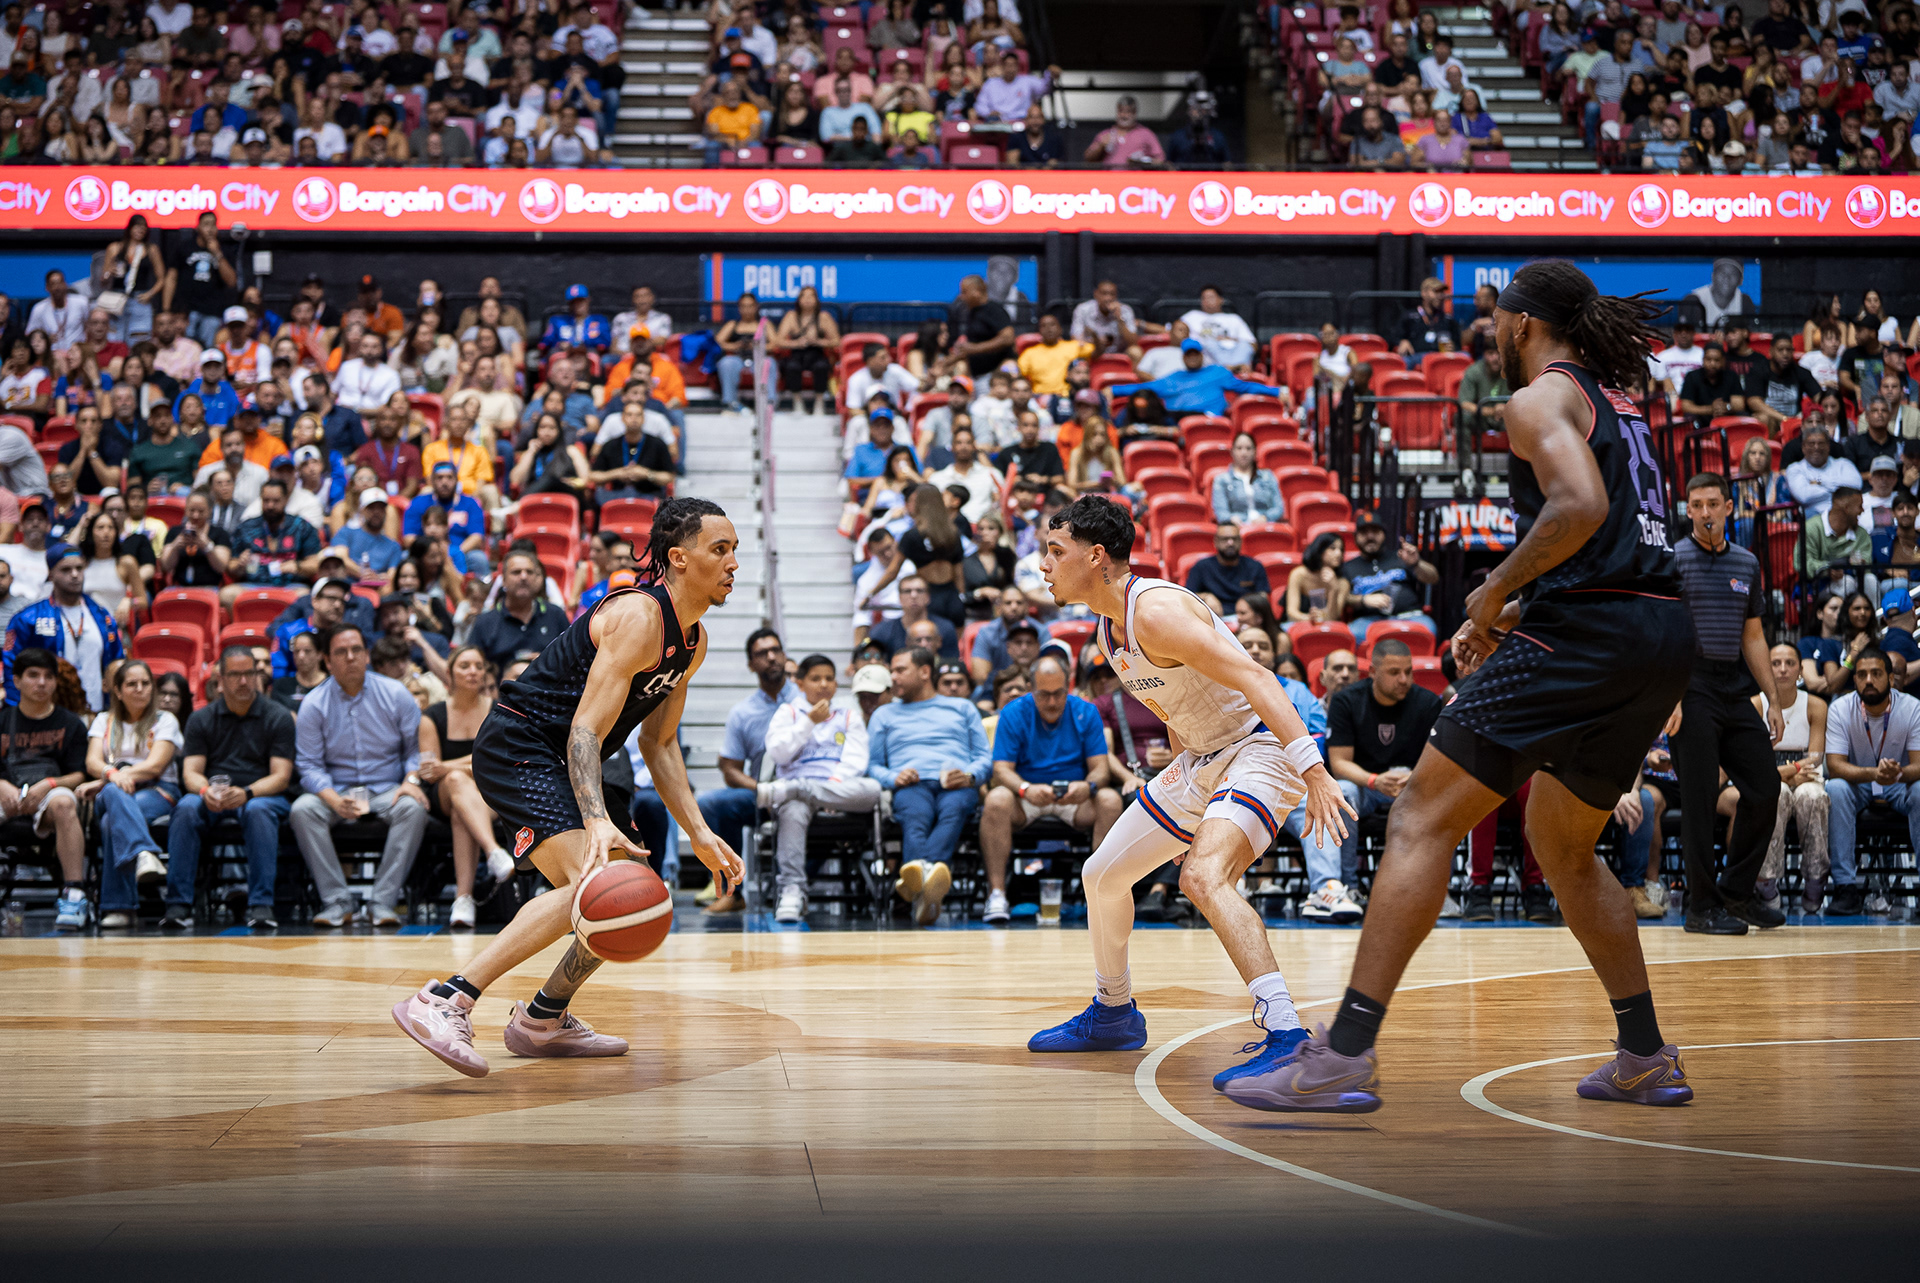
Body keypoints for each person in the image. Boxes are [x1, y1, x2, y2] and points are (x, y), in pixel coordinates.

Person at [1223, 261, 1698, 1113]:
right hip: (1659, 634)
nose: (1489, 335)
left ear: (1522, 325)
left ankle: (1344, 1054)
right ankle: (1645, 1054)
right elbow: (1617, 550)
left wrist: (1492, 588)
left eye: (1495, 321)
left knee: (1419, 816)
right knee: (1562, 845)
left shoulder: (1539, 397)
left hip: (1589, 634)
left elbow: (1580, 507)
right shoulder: (1620, 402)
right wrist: (1515, 611)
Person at [391, 498, 745, 1076]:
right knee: (594, 881)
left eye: (735, 551)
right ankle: (446, 998)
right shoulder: (638, 616)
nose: (733, 564)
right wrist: (597, 819)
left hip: (568, 758)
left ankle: (543, 1018)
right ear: (680, 558)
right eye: (720, 549)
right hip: (521, 745)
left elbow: (659, 745)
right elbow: (584, 729)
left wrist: (699, 833)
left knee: (632, 893)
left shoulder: (692, 641)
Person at [1023, 495, 1349, 1079]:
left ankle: (1288, 1033)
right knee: (1102, 876)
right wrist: (1185, 803)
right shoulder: (1108, 632)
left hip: (1258, 746)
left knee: (1202, 877)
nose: (1044, 564)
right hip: (1201, 760)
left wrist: (1315, 771)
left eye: (1055, 551)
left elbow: (1258, 677)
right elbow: (1174, 708)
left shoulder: (1156, 611)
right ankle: (1114, 1012)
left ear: (1096, 557)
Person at [1667, 473, 1785, 935]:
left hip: (1733, 686)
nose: (1705, 513)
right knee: (1698, 800)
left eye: (1713, 504)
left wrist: (1771, 698)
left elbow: (1752, 635)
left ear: (1729, 508)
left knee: (1765, 787)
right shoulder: (1673, 559)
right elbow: (1662, 632)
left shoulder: (1746, 562)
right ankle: (1701, 907)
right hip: (1689, 684)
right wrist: (1670, 694)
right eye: (1696, 505)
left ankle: (1736, 891)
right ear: (1688, 511)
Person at [291, 622, 430, 928]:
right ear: (328, 661)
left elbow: (416, 749)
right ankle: (338, 902)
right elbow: (309, 765)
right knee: (302, 810)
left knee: (413, 807)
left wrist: (410, 781)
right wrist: (332, 799)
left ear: (367, 655)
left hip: (387, 789)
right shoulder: (313, 704)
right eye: (341, 652)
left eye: (356, 650)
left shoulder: (395, 693)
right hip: (337, 791)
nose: (350, 657)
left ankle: (382, 903)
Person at [978, 651, 1123, 922]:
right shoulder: (1013, 712)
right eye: (1044, 695)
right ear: (1031, 688)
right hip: (1026, 796)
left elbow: (1101, 769)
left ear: (1068, 686)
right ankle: (996, 894)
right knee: (996, 799)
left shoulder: (1086, 711)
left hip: (1073, 797)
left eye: (1058, 693)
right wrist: (1025, 789)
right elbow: (1001, 770)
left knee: (1110, 800)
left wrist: (1087, 787)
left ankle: (1100, 894)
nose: (1053, 702)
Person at [864, 646, 990, 924]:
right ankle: (930, 883)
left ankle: (919, 877)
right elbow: (872, 765)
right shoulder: (884, 715)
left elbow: (984, 757)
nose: (892, 677)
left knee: (953, 809)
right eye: (892, 671)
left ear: (924, 672)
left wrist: (969, 776)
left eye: (900, 670)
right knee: (915, 815)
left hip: (956, 784)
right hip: (911, 784)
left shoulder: (962, 708)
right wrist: (893, 777)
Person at [760, 653, 882, 923]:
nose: (824, 684)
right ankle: (792, 890)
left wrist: (831, 789)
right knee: (792, 809)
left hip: (838, 790)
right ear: (800, 683)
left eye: (829, 678)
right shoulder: (789, 712)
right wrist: (809, 722)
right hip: (804, 797)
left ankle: (797, 789)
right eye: (816, 678)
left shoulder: (848, 716)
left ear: (837, 684)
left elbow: (856, 760)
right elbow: (778, 753)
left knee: (873, 790)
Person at [695, 627, 799, 915]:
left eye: (775, 650)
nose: (771, 657)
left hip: (807, 790)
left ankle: (793, 887)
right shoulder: (743, 713)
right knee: (710, 804)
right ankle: (732, 891)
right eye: (762, 653)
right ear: (751, 664)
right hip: (764, 794)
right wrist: (762, 790)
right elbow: (730, 770)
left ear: (784, 655)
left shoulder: (806, 700)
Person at [420, 644, 517, 930]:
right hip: (443, 793)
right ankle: (493, 851)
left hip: (491, 791)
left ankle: (463, 899)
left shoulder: (498, 710)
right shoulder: (432, 716)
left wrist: (449, 765)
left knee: (461, 810)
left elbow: (498, 760)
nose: (473, 671)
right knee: (455, 781)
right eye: (464, 666)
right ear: (449, 674)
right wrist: (463, 767)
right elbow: (429, 771)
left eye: (478, 666)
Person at [1822, 645, 1920, 918]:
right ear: (1854, 679)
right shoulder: (1840, 708)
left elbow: (1919, 765)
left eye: (1876, 673)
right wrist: (1874, 774)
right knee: (1835, 788)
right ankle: (1845, 888)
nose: (1868, 680)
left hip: (1900, 783)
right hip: (1860, 784)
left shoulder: (1912, 708)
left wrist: (1896, 773)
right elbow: (1835, 766)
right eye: (1862, 674)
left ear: (1890, 678)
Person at [86, 660, 183, 929]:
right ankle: (143, 853)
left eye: (145, 683)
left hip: (157, 791)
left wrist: (117, 775)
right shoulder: (103, 720)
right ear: (117, 691)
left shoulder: (165, 720)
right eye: (131, 684)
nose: (140, 689)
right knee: (114, 794)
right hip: (111, 790)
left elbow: (155, 766)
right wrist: (112, 775)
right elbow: (92, 761)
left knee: (111, 821)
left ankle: (120, 908)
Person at [1747, 642, 1828, 915]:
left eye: (1790, 663)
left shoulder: (1815, 705)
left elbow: (1815, 757)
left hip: (1807, 778)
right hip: (1771, 780)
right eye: (1775, 663)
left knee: (1813, 797)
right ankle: (1766, 882)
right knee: (1776, 793)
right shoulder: (1755, 705)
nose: (1783, 669)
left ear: (1800, 670)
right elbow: (1752, 763)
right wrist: (1789, 772)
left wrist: (1785, 772)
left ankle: (1815, 878)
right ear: (1765, 669)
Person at [4, 543, 125, 713]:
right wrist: (17, 711)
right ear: (51, 574)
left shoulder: (102, 616)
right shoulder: (28, 619)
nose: (75, 575)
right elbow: (11, 665)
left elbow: (116, 663)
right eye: (66, 570)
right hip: (47, 714)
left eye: (79, 568)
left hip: (96, 712)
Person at [1107, 339, 1286, 419]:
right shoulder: (1173, 379)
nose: (1192, 358)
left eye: (1195, 354)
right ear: (1183, 357)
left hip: (1212, 421)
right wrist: (1113, 390)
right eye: (1189, 354)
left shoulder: (1217, 372)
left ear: (1201, 355)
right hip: (1180, 421)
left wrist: (1277, 392)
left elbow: (1245, 387)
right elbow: (1145, 387)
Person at [467, 551, 567, 673]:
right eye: (516, 572)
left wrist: (546, 662)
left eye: (529, 572)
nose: (524, 577)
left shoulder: (556, 616)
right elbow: (475, 668)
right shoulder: (484, 623)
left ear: (537, 579)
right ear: (503, 580)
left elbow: (571, 660)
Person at [1341, 516, 1438, 641]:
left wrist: (1416, 564)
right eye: (1364, 532)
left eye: (1375, 531)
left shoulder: (1401, 557)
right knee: (1354, 633)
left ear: (1384, 534)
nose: (1370, 537)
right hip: (1368, 621)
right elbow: (1343, 598)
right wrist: (1364, 600)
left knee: (1428, 628)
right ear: (1355, 537)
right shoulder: (1348, 566)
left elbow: (1433, 578)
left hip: (1410, 616)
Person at [1184, 521, 1271, 616]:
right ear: (1216, 542)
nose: (1230, 543)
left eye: (1234, 539)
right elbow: (1187, 596)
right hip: (1214, 617)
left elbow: (1263, 598)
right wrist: (1205, 596)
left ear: (1241, 541)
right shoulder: (1201, 567)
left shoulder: (1255, 566)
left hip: (1246, 618)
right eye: (1225, 539)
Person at [1211, 432, 1285, 525]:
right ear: (1232, 452)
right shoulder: (1222, 480)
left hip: (1265, 525)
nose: (1244, 453)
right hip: (1237, 527)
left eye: (1248, 448)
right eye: (1239, 448)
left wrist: (1265, 518)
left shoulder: (1268, 477)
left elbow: (1279, 508)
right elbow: (1221, 512)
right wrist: (1231, 519)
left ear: (1255, 452)